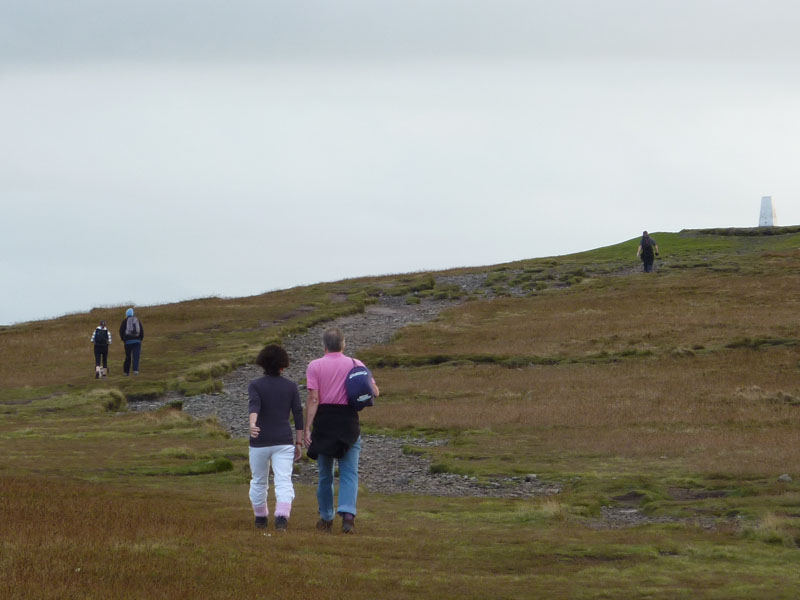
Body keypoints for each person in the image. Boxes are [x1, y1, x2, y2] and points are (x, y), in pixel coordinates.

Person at [305, 328, 379, 534]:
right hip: (348, 422)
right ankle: (348, 517)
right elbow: (375, 391)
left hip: (324, 421)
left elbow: (313, 399)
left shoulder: (315, 366)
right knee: (349, 473)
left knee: (325, 475)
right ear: (343, 344)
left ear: (324, 345)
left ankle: (326, 517)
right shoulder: (356, 364)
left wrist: (307, 428)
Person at [248, 344, 304, 532]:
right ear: (283, 365)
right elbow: (298, 415)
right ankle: (281, 517)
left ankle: (261, 517)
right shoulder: (291, 387)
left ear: (263, 364)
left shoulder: (255, 385)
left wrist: (253, 425)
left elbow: (254, 406)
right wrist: (299, 442)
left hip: (259, 441)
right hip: (284, 441)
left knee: (258, 480)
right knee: (283, 480)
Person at [119, 308, 144, 376]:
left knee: (128, 356)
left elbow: (121, 331)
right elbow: (141, 331)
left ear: (126, 314)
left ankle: (126, 372)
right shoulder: (137, 320)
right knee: (136, 356)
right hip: (137, 341)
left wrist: (124, 339)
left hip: (128, 342)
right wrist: (140, 339)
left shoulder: (125, 321)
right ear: (133, 313)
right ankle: (135, 371)